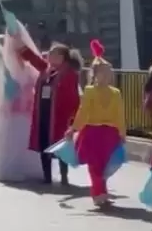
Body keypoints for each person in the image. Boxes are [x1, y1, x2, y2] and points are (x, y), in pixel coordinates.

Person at [66, 40, 126, 208]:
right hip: (92, 132)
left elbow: (119, 114)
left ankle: (102, 191)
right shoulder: (90, 91)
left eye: (108, 73)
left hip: (109, 134)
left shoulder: (116, 93)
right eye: (102, 73)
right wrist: (74, 128)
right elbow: (83, 112)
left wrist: (122, 133)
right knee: (94, 164)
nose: (106, 76)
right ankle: (97, 192)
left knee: (106, 164)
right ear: (94, 74)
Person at [20, 40, 81, 186]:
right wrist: (19, 43)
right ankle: (47, 177)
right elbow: (34, 60)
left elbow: (72, 97)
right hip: (44, 114)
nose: (49, 55)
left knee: (60, 147)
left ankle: (64, 176)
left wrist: (72, 119)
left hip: (59, 117)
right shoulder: (47, 70)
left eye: (52, 53)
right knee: (43, 145)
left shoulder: (69, 73)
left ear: (61, 57)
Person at [0, 29, 44, 182]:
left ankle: (29, 168)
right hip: (13, 112)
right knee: (13, 141)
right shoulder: (7, 70)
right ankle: (11, 169)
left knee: (27, 141)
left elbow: (37, 84)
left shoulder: (30, 70)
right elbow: (2, 93)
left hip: (28, 111)